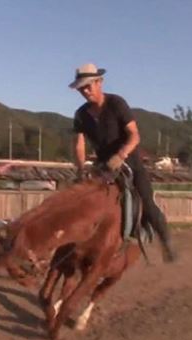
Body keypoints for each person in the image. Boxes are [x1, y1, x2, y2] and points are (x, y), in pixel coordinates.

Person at [69, 63, 176, 262]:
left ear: (99, 82)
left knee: (147, 202)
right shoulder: (81, 114)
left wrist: (121, 155)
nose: (85, 91)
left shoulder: (116, 103)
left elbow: (134, 135)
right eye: (81, 88)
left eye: (88, 86)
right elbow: (79, 143)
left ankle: (166, 241)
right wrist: (81, 168)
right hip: (103, 166)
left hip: (130, 163)